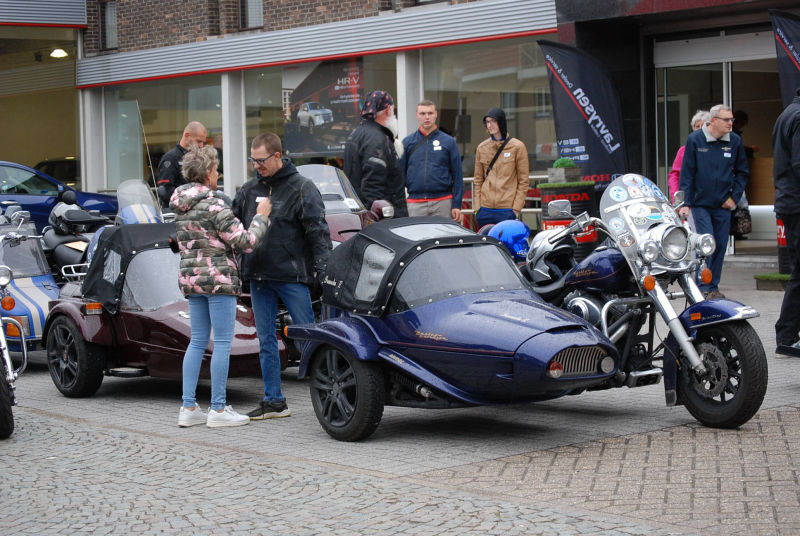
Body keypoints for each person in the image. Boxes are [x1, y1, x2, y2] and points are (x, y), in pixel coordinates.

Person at [171, 145, 271, 428]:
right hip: (219, 280)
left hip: (192, 281)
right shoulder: (215, 203)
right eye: (216, 169)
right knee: (224, 342)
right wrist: (261, 216)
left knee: (198, 341)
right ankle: (217, 409)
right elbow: (246, 242)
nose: (218, 174)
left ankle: (188, 407)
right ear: (206, 173)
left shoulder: (180, 203)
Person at [233, 132, 331, 420]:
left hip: (292, 277)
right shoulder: (248, 190)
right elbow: (232, 227)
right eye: (253, 160)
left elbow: (318, 232)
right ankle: (274, 400)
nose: (256, 166)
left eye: (261, 160)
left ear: (277, 155)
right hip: (258, 275)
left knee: (308, 338)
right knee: (266, 341)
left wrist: (325, 270)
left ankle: (328, 395)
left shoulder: (302, 187)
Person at [678, 104, 749, 299]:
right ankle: (703, 286)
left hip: (723, 205)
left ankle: (713, 286)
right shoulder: (695, 139)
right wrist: (684, 203)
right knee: (707, 242)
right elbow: (687, 173)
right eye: (726, 119)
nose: (730, 123)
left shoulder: (734, 141)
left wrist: (734, 198)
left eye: (732, 119)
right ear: (713, 121)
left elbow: (743, 172)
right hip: (700, 204)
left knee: (720, 245)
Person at [343, 90, 408, 217]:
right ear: (388, 109)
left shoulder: (356, 134)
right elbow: (372, 186)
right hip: (385, 217)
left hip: (360, 212)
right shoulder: (377, 139)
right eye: (393, 109)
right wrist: (375, 218)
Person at [401, 99, 463, 221]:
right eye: (423, 113)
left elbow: (457, 175)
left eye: (430, 113)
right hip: (415, 203)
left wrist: (457, 204)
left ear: (436, 114)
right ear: (417, 115)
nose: (427, 117)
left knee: (444, 234)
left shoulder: (449, 142)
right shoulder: (407, 142)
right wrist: (401, 204)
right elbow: (399, 176)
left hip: (443, 202)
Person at [772, 88, 800, 357]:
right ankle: (787, 335)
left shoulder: (787, 114)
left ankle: (788, 334)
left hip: (790, 203)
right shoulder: (799, 116)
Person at [472, 107, 530, 229]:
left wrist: (516, 208)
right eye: (487, 122)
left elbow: (523, 180)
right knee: (486, 241)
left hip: (507, 209)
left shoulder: (517, 147)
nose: (490, 125)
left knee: (506, 240)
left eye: (493, 121)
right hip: (485, 209)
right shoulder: (482, 147)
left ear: (501, 122)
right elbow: (478, 180)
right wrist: (477, 207)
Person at [157, 121, 208, 209]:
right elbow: (165, 191)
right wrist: (189, 196)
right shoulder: (170, 158)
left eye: (203, 142)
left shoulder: (199, 158)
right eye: (199, 141)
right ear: (187, 136)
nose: (201, 145)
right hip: (176, 211)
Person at [668, 110, 709, 199]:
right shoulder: (683, 150)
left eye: (703, 126)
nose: (700, 129)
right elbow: (675, 176)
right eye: (697, 126)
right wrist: (677, 198)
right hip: (688, 200)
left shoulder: (716, 149)